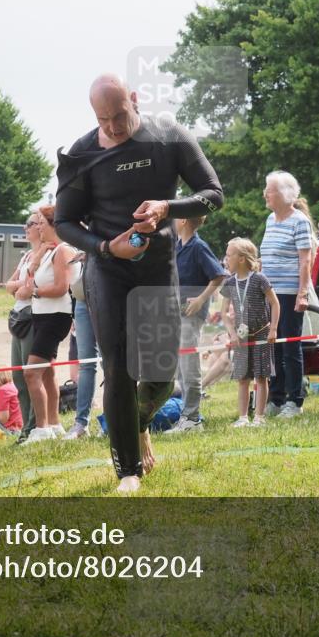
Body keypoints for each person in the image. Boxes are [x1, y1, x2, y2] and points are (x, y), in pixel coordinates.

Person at [54, 74, 223, 494]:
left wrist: (168, 206)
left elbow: (213, 194)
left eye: (119, 115)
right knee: (118, 366)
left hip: (157, 268)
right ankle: (127, 471)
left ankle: (140, 424)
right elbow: (63, 223)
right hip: (108, 270)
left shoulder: (168, 135)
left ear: (135, 99)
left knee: (162, 375)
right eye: (103, 119)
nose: (112, 127)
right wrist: (106, 247)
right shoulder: (82, 153)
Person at [166, 215, 226, 434]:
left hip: (191, 315)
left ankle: (192, 419)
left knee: (190, 367)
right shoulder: (178, 246)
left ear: (183, 221)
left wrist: (201, 299)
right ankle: (186, 416)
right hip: (176, 313)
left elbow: (218, 275)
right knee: (182, 368)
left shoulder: (198, 246)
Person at [260, 171, 312, 418]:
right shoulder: (271, 219)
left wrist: (303, 294)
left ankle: (295, 400)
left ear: (284, 194)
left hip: (290, 293)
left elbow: (305, 260)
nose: (265, 194)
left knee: (290, 347)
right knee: (274, 348)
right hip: (270, 294)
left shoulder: (299, 220)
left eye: (269, 190)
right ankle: (276, 398)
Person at [23, 205, 75, 443]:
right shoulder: (45, 251)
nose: (38, 227)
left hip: (56, 317)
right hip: (41, 316)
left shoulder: (63, 251)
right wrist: (34, 263)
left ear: (53, 225)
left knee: (31, 373)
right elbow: (26, 284)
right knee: (47, 373)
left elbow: (61, 288)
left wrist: (36, 291)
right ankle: (54, 424)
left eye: (41, 223)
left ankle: (41, 429)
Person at [219, 238, 279, 427]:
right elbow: (224, 313)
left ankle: (259, 417)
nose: (226, 259)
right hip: (241, 337)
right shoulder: (229, 283)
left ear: (242, 259)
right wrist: (232, 334)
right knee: (243, 378)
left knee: (261, 377)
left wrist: (273, 329)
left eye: (229, 255)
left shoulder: (260, 279)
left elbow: (275, 303)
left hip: (261, 333)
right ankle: (243, 417)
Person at [7, 212, 45, 442]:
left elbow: (32, 286)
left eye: (29, 224)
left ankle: (32, 427)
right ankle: (25, 427)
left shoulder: (46, 251)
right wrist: (21, 286)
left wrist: (21, 287)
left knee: (31, 375)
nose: (25, 228)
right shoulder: (27, 255)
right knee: (18, 376)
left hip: (33, 316)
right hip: (18, 316)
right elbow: (9, 286)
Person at [65, 290, 99, 439]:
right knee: (86, 365)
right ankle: (81, 424)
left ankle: (112, 422)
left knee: (110, 366)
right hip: (81, 300)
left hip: (107, 295)